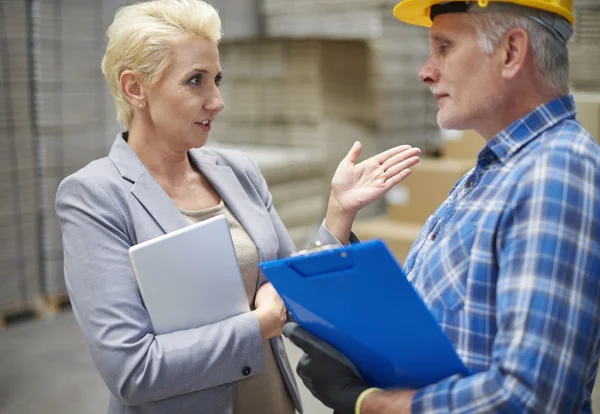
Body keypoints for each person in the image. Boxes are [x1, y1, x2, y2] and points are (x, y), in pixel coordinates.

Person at [54, 1, 420, 413]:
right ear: (135, 88)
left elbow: (292, 288)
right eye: (196, 81)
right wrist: (260, 324)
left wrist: (338, 210)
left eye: (217, 79)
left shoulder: (236, 171)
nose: (217, 101)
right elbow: (132, 371)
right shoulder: (95, 196)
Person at [285, 1, 600, 413]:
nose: (426, 70)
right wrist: (340, 214)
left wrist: (369, 403)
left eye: (444, 47)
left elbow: (528, 398)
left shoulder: (555, 172)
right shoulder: (494, 174)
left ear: (511, 52)